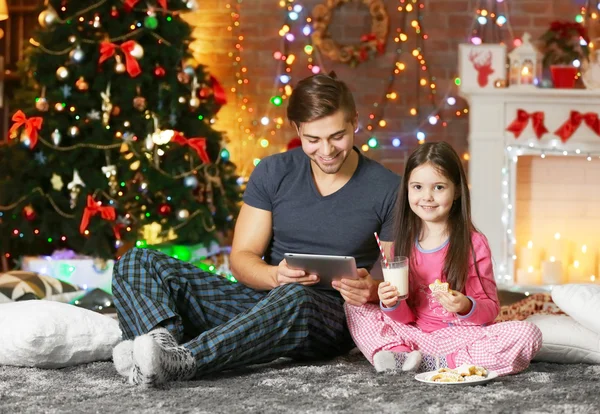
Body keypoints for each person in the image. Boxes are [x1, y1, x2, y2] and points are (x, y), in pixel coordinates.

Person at [110, 72, 400, 386]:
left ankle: (186, 359)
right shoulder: (274, 171)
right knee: (137, 262)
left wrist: (370, 290)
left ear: (354, 122)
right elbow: (243, 257)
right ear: (297, 129)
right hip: (261, 300)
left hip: (327, 317)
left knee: (297, 298)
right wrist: (275, 275)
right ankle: (160, 345)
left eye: (337, 136)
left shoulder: (389, 188)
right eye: (313, 140)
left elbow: (394, 278)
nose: (326, 150)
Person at [345, 142, 542, 376]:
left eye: (438, 187)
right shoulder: (402, 242)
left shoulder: (474, 243)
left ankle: (437, 363)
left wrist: (465, 305)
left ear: (457, 190)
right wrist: (392, 303)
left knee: (527, 333)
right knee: (354, 306)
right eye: (417, 187)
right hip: (414, 334)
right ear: (407, 189)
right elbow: (406, 316)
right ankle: (399, 355)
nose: (427, 197)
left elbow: (490, 309)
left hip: (460, 337)